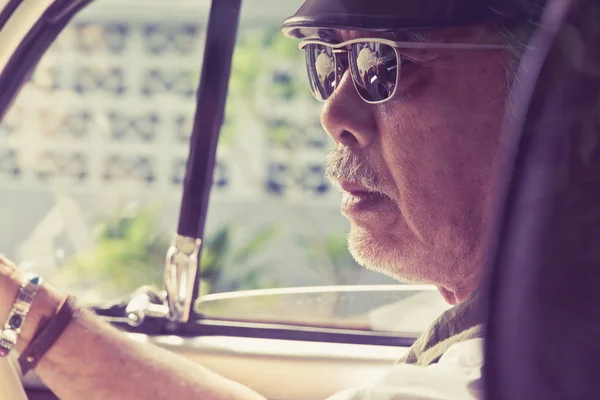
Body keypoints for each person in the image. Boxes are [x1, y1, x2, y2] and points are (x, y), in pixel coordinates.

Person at [0, 0, 546, 398]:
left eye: (384, 65)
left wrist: (26, 313)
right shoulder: (521, 322)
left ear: (547, 99)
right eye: (328, 62)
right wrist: (24, 308)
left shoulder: (502, 371)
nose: (333, 114)